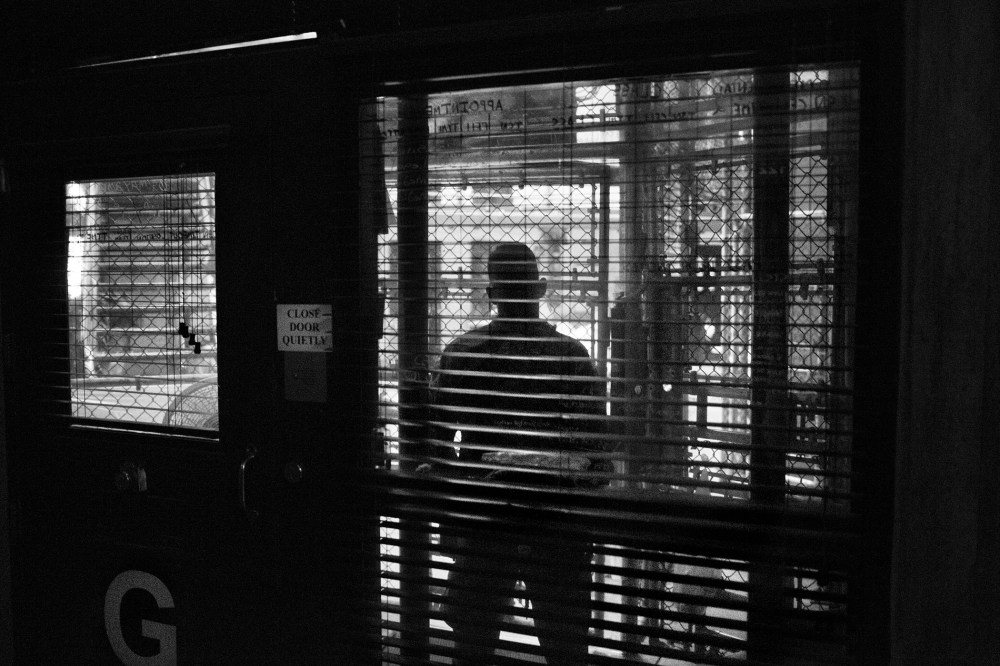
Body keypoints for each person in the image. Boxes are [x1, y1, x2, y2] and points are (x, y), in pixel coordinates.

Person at [428, 242, 608, 666]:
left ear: (490, 294)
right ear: (541, 288)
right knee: (564, 649)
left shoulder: (464, 354)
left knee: (473, 647)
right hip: (554, 527)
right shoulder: (570, 357)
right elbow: (596, 451)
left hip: (486, 524)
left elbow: (436, 446)